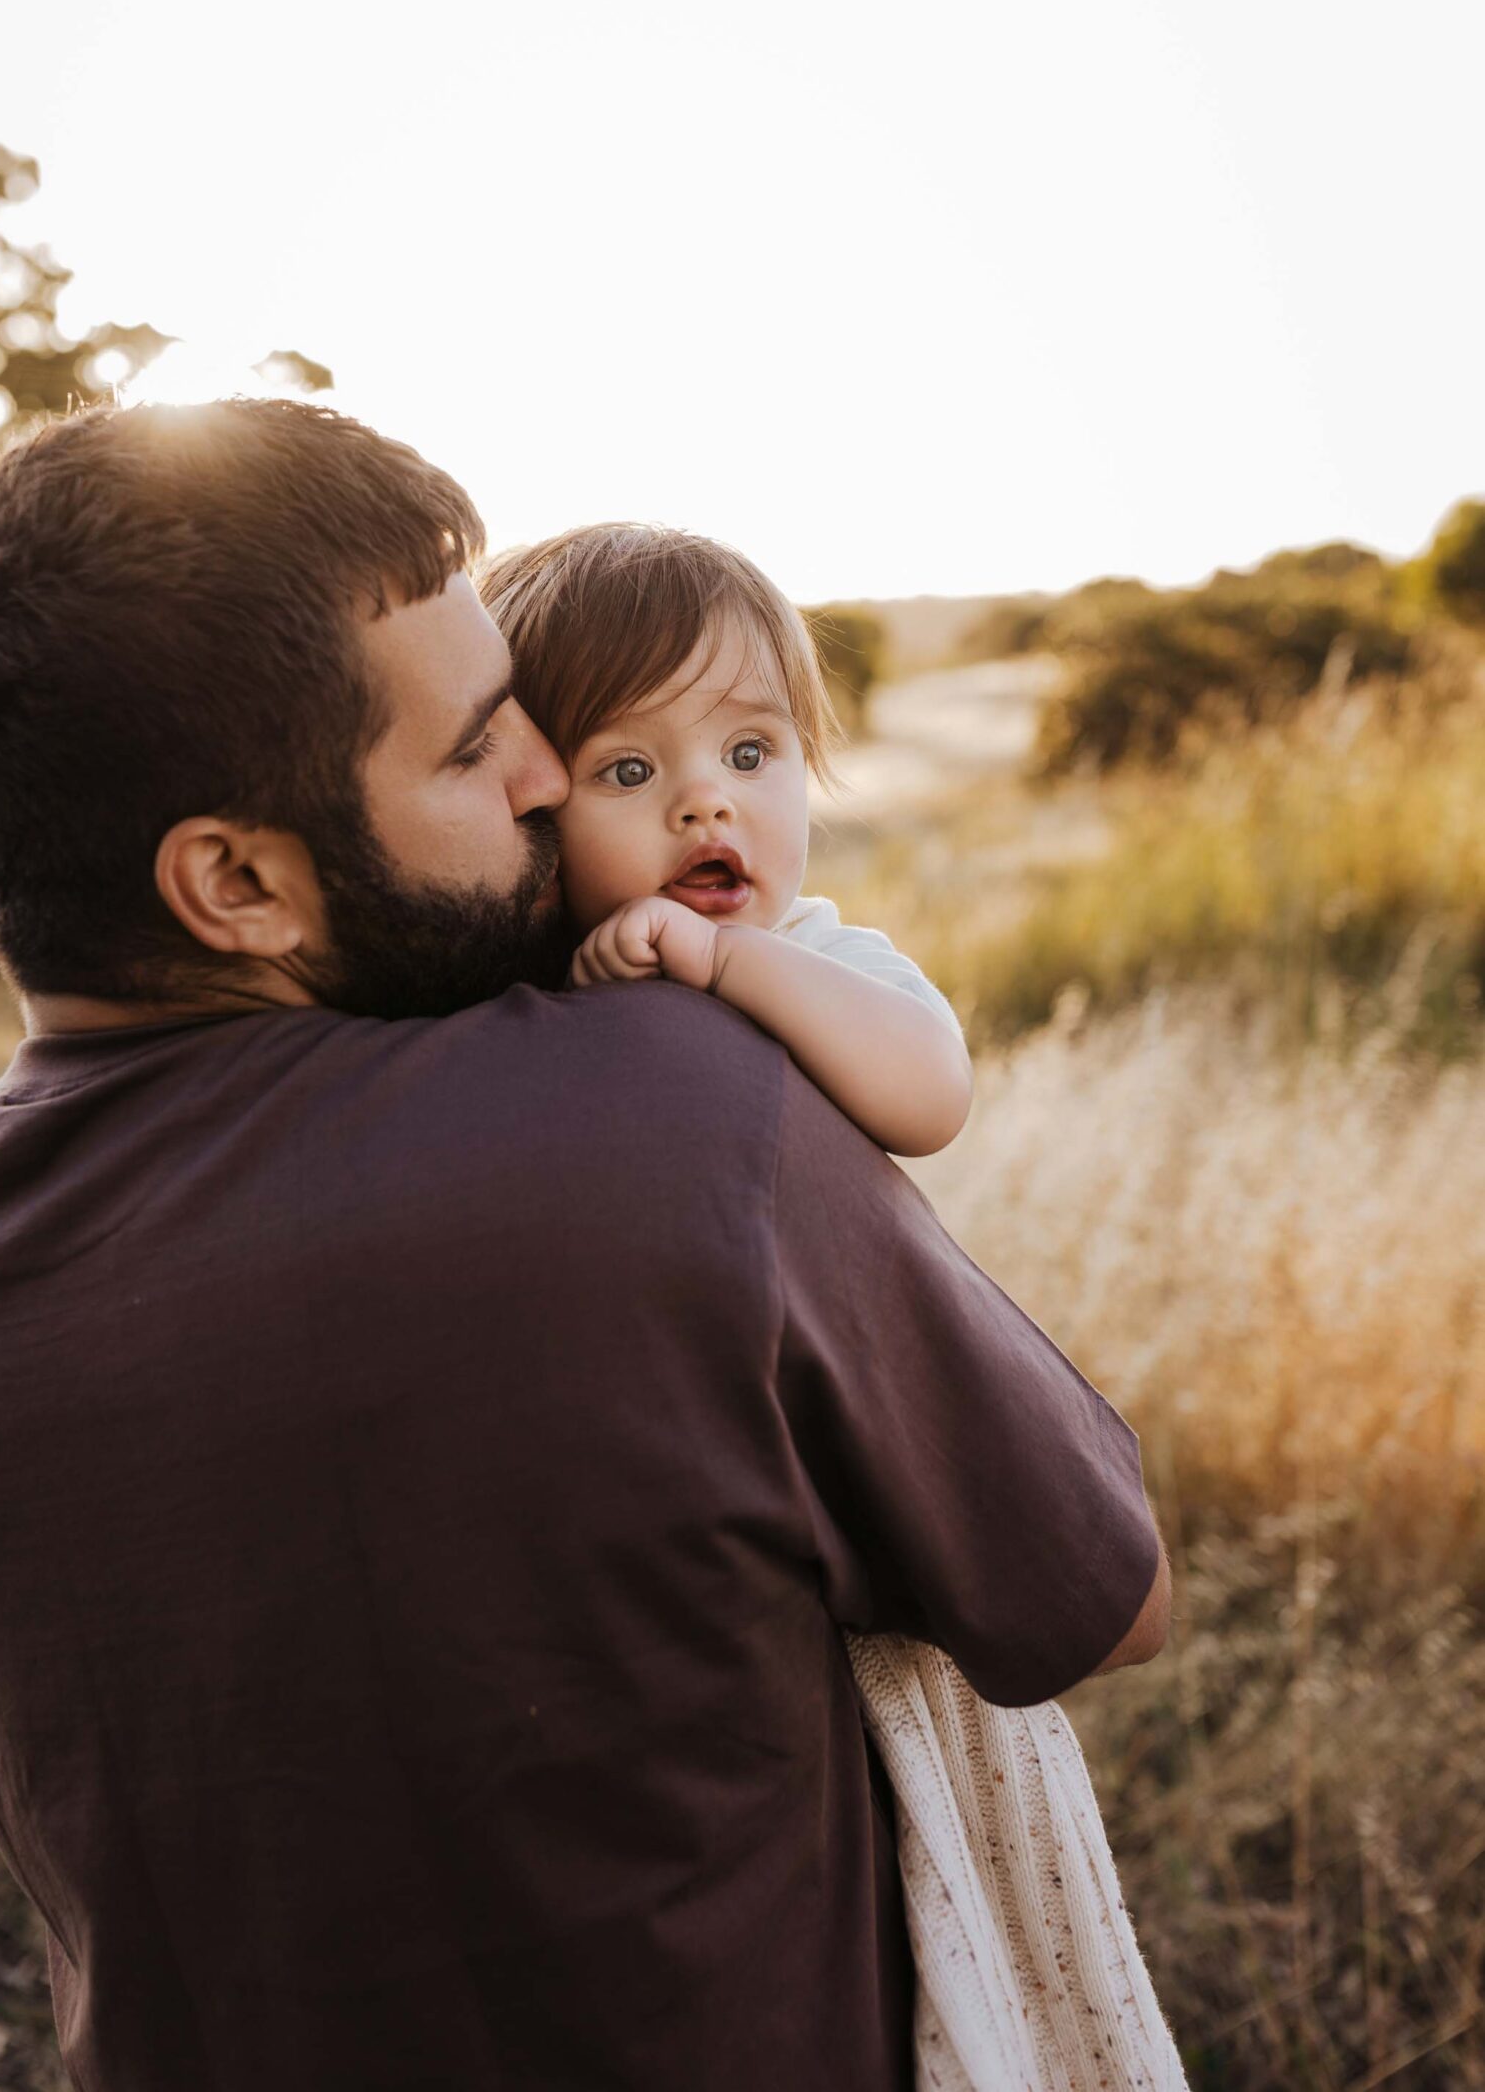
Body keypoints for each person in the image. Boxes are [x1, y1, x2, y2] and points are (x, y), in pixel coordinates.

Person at [0, 397, 1169, 2092]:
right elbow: (1102, 1602)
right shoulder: (672, 1111)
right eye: (471, 751)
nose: (540, 777)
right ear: (234, 883)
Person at [479, 521, 1185, 2088]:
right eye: (628, 772)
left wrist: (727, 976)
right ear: (534, 809)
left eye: (751, 749)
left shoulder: (811, 951)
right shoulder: (531, 994)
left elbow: (928, 1092)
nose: (707, 801)